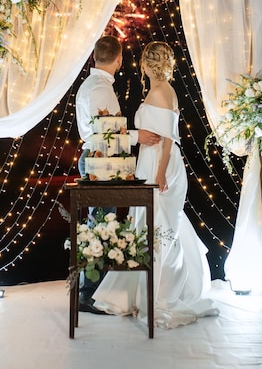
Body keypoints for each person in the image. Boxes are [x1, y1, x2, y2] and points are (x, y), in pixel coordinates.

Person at [93, 41, 219, 328]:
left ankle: (161, 293)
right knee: (148, 224)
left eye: (144, 63)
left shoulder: (161, 91)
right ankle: (141, 292)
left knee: (159, 226)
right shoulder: (158, 90)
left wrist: (160, 173)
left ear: (148, 65)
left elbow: (168, 140)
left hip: (161, 166)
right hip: (149, 164)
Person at [75, 35, 161, 314]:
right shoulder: (99, 88)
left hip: (98, 161)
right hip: (99, 162)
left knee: (100, 225)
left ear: (95, 57)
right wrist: (139, 136)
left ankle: (91, 291)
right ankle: (87, 294)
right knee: (100, 227)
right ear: (119, 60)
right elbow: (105, 131)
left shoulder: (94, 84)